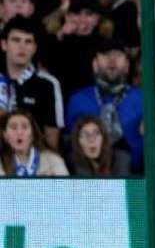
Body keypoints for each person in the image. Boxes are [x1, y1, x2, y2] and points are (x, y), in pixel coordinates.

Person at [65, 39, 143, 173]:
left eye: (118, 56)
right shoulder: (77, 100)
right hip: (89, 177)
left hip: (138, 176)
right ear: (95, 64)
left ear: (127, 65)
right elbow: (70, 143)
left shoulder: (143, 98)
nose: (112, 60)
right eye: (106, 55)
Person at [1, 15, 64, 150]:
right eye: (16, 40)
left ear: (34, 48)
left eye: (28, 41)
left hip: (34, 159)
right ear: (4, 44)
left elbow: (52, 137)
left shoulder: (48, 84)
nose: (22, 46)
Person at [0, 109, 68, 176]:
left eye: (24, 127)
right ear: (5, 135)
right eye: (14, 128)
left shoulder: (52, 160)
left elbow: (66, 186)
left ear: (33, 135)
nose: (19, 132)